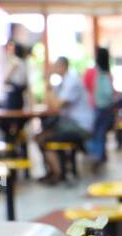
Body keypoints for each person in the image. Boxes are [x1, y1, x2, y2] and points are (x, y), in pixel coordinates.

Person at [36, 56, 93, 184]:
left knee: (43, 138)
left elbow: (56, 105)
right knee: (42, 135)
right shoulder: (64, 82)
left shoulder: (72, 81)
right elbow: (49, 102)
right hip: (70, 124)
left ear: (63, 66)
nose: (52, 69)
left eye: (55, 66)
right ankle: (55, 172)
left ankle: (57, 174)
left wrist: (48, 82)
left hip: (80, 125)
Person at [87, 48, 115, 171]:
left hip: (95, 107)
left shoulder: (91, 72)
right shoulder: (108, 73)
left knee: (94, 133)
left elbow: (86, 89)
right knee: (102, 133)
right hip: (107, 108)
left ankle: (96, 156)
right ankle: (101, 155)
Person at [3, 41, 30, 111]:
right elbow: (26, 80)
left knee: (11, 114)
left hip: (14, 92)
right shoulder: (24, 62)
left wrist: (6, 81)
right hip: (20, 93)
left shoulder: (15, 61)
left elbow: (6, 77)